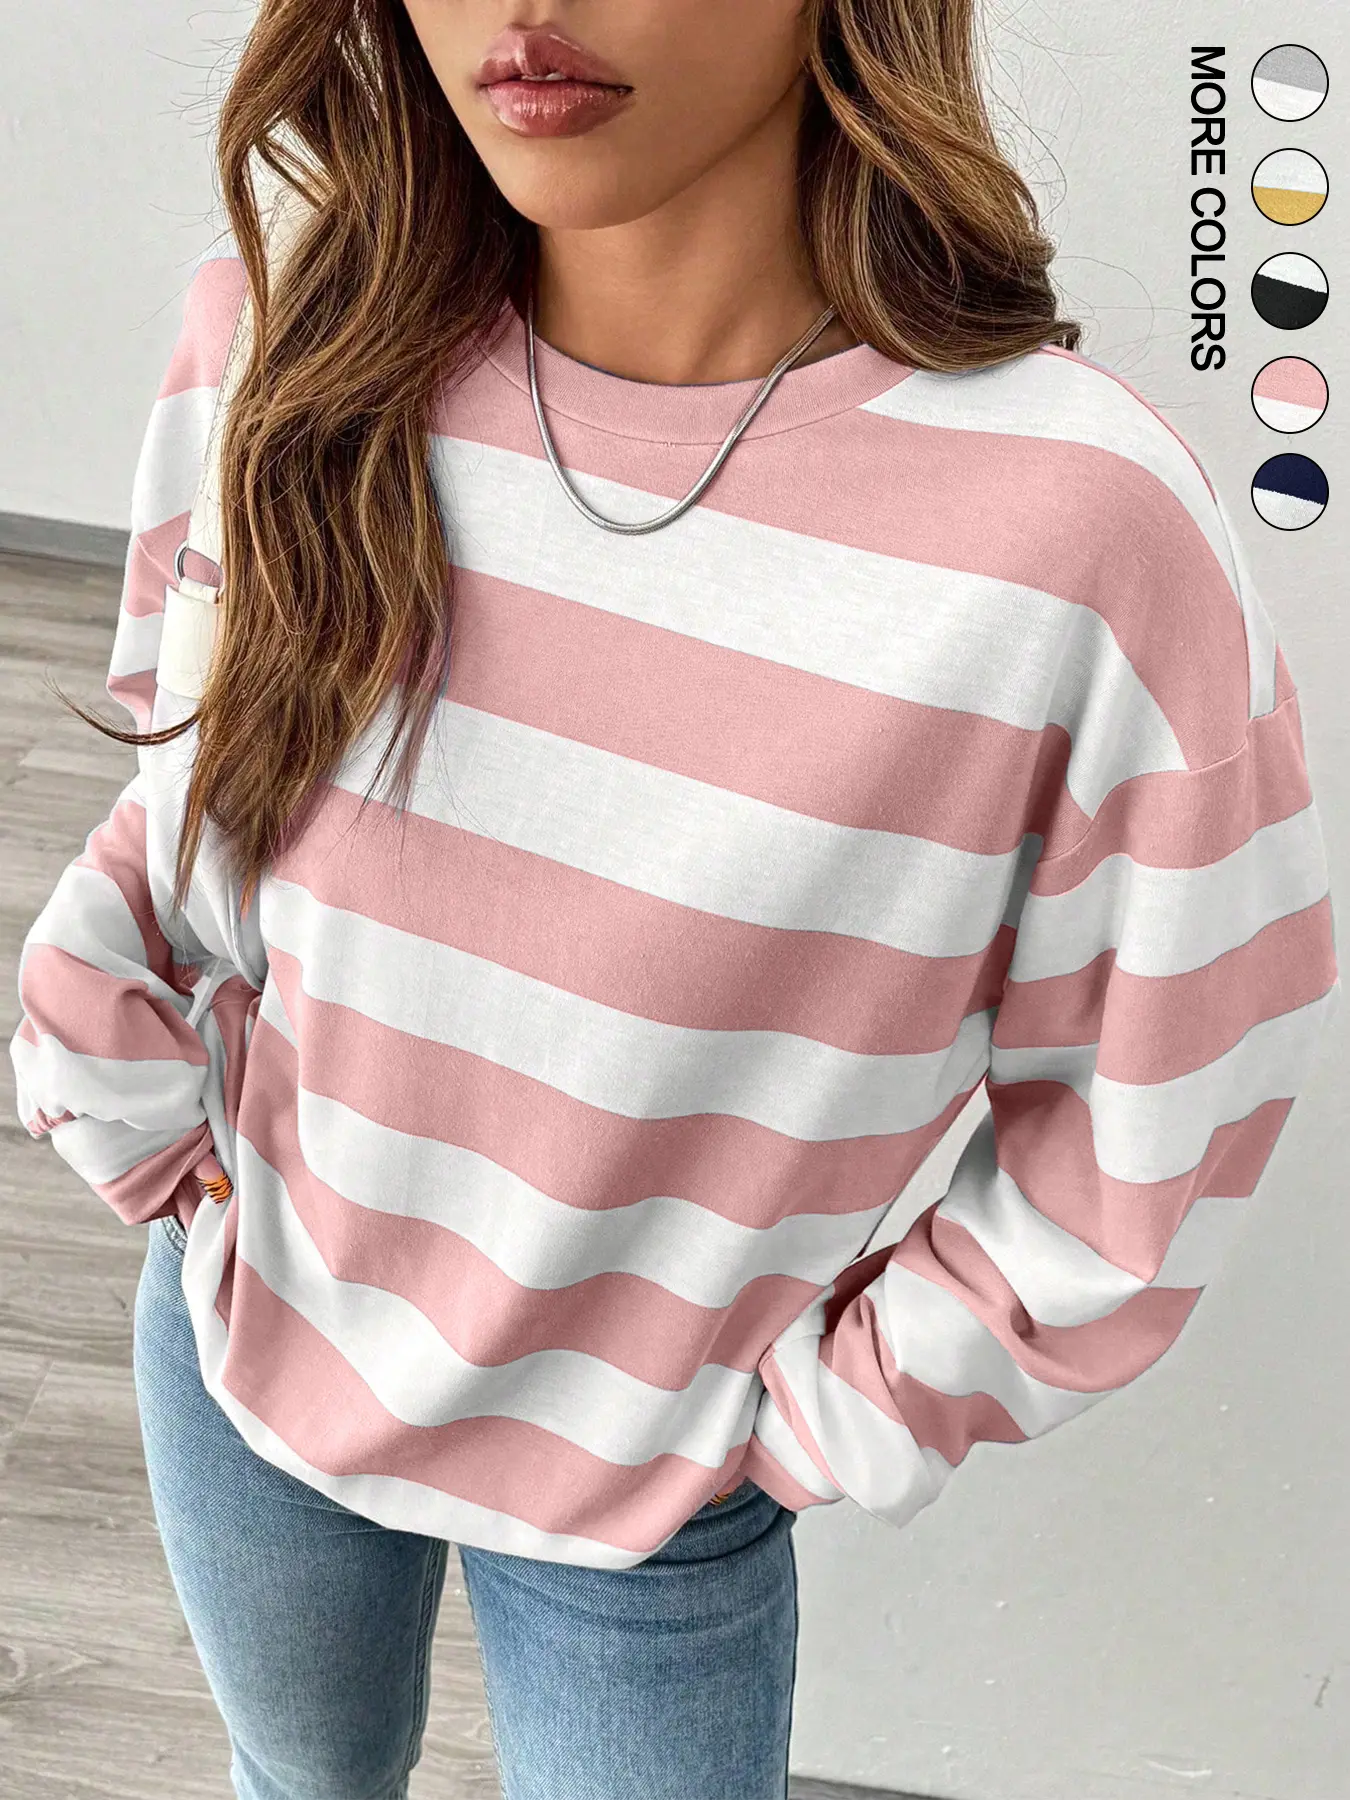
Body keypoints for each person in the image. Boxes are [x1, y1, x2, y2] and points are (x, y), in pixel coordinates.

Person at [11, 3, 1339, 1797]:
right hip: (248, 1334)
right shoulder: (279, 340)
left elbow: (1165, 1098)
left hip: (655, 1503)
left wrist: (824, 1419)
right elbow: (185, 816)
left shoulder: (1079, 535)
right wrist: (151, 1142)